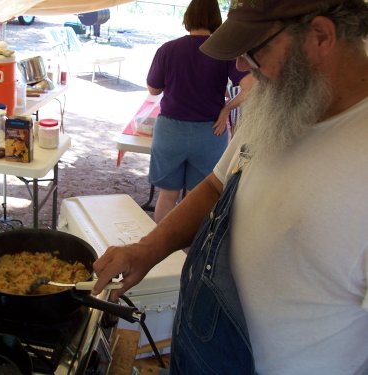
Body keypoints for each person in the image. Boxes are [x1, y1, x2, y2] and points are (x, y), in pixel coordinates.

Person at [93, 0, 368, 374]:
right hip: (198, 350)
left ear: (320, 36)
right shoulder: (280, 101)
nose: (240, 65)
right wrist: (147, 250)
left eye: (254, 50)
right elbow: (216, 186)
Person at [146, 0, 249, 223]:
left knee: (167, 196)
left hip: (171, 131)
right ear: (216, 20)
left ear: (188, 17)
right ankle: (191, 253)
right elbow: (252, 86)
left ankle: (161, 252)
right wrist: (227, 109)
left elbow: (154, 89)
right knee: (198, 198)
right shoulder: (225, 51)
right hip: (210, 131)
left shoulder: (168, 49)